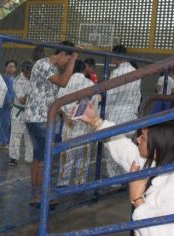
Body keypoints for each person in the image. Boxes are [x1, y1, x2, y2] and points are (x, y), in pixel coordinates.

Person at [81, 101, 174, 236]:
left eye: (144, 137)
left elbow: (162, 232)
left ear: (159, 143)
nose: (138, 140)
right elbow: (124, 150)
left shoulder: (171, 185)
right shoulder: (156, 163)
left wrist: (137, 199)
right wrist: (95, 121)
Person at [25, 40, 78, 206]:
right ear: (62, 54)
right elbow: (63, 82)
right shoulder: (44, 64)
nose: (67, 64)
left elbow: (50, 98)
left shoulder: (52, 69)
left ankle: (36, 194)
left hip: (41, 118)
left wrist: (63, 115)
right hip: (39, 119)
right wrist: (75, 58)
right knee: (43, 159)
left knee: (39, 158)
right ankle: (39, 194)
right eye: (67, 60)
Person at [56, 60, 98, 186]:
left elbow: (58, 104)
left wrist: (65, 118)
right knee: (83, 157)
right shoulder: (90, 83)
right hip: (84, 124)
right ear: (84, 69)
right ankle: (80, 182)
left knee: (66, 155)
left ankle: (63, 182)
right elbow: (94, 105)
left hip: (69, 123)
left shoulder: (66, 82)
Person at [104, 44, 141, 178]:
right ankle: (128, 175)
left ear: (115, 56)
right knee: (128, 150)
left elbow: (110, 96)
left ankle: (115, 180)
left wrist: (105, 114)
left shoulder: (116, 73)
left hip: (116, 116)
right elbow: (137, 96)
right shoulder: (136, 72)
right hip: (131, 116)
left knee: (112, 151)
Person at [9, 60, 34, 166]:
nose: (29, 74)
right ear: (23, 71)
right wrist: (33, 95)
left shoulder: (34, 78)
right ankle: (13, 157)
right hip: (19, 111)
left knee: (30, 136)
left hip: (30, 111)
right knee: (16, 135)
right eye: (28, 72)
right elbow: (22, 100)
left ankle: (30, 158)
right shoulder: (18, 80)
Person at [0, 60, 17, 148]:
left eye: (13, 66)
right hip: (6, 104)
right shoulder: (4, 78)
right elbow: (4, 91)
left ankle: (9, 141)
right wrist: (9, 101)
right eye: (9, 66)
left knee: (11, 124)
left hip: (15, 104)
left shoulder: (15, 78)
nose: (11, 68)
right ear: (6, 68)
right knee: (5, 123)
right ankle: (3, 141)